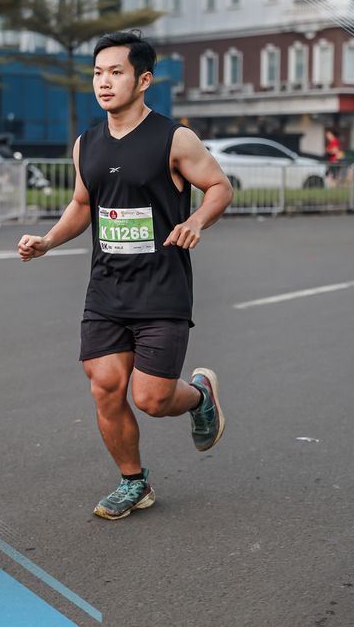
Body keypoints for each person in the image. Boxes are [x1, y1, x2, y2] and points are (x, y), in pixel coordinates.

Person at [18, 30, 234, 520]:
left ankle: (199, 395)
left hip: (161, 289)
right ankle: (134, 482)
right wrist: (48, 241)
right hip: (106, 290)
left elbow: (219, 186)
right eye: (98, 73)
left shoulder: (173, 138)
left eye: (116, 72)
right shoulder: (87, 144)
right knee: (105, 387)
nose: (104, 82)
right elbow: (82, 204)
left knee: (152, 399)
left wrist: (196, 220)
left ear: (143, 80)